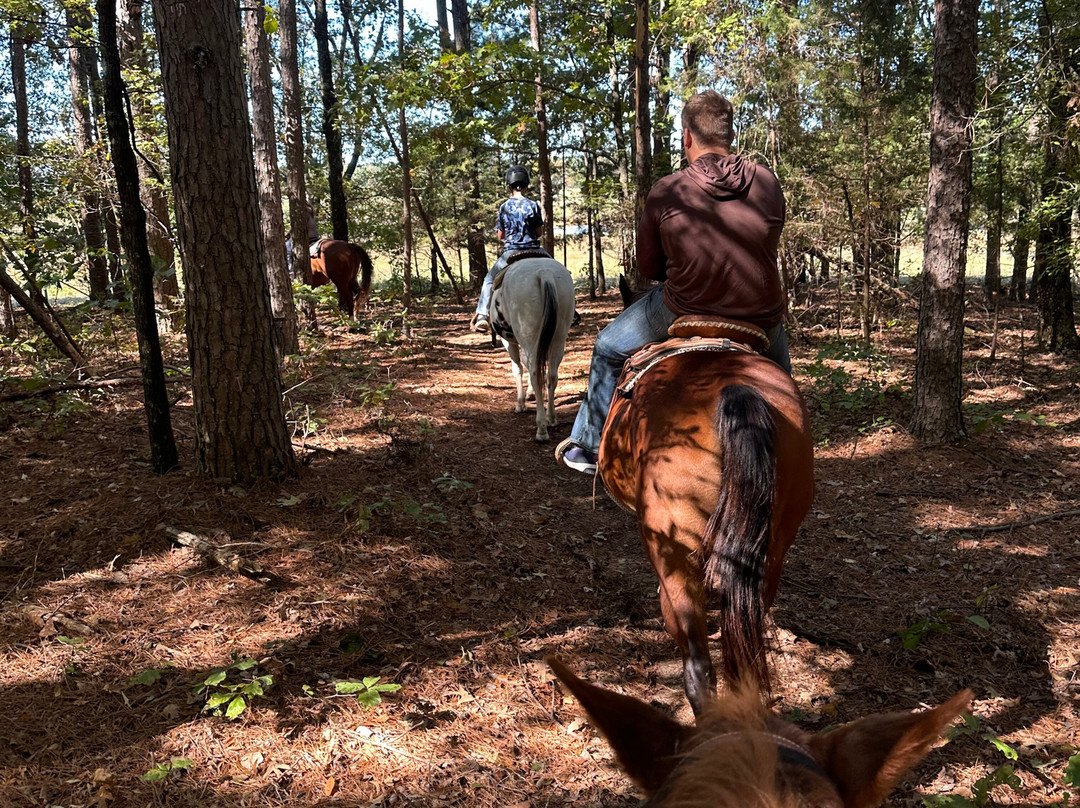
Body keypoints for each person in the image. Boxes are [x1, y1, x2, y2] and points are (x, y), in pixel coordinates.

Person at [556, 90, 791, 474]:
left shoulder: (668, 190)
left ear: (686, 137)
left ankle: (587, 443)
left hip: (682, 308)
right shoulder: (766, 182)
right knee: (783, 387)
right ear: (730, 135)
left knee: (608, 346)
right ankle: (788, 450)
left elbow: (649, 267)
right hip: (759, 316)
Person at [470, 165, 547, 333]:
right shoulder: (533, 205)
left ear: (509, 186)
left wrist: (511, 237)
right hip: (535, 250)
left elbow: (500, 235)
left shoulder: (504, 207)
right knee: (559, 271)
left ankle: (482, 315)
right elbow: (539, 232)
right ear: (526, 185)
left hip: (512, 252)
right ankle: (571, 312)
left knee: (489, 280)